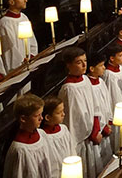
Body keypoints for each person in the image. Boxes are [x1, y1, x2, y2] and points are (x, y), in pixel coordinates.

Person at [58, 47, 106, 178]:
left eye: (85, 61)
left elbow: (95, 106)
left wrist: (96, 129)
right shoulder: (68, 89)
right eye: (79, 62)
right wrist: (91, 132)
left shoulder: (85, 80)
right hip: (80, 141)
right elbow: (75, 119)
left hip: (91, 135)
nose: (84, 65)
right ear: (69, 65)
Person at [3, 93, 53, 178]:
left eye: (41, 114)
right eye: (37, 115)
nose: (41, 118)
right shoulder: (20, 149)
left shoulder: (42, 135)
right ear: (23, 119)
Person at [0, 0, 39, 71]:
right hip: (14, 67)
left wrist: (31, 56)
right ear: (11, 2)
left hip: (27, 63)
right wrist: (21, 62)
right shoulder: (4, 23)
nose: (26, 0)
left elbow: (31, 40)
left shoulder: (24, 17)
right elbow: (10, 50)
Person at [87, 51, 114, 163]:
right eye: (101, 65)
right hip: (97, 131)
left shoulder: (101, 83)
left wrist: (109, 121)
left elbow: (107, 103)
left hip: (105, 127)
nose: (104, 68)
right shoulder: (88, 87)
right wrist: (100, 129)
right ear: (92, 68)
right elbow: (93, 110)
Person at [40, 96, 76, 178]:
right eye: (59, 112)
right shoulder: (43, 137)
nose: (63, 114)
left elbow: (71, 150)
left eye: (63, 111)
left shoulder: (64, 129)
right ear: (47, 117)